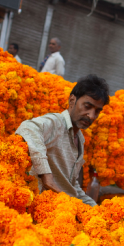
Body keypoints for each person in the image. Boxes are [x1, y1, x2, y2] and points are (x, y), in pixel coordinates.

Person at [15, 75, 109, 206]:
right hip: (43, 205)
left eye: (97, 111)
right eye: (87, 106)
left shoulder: (80, 140)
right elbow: (27, 128)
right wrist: (46, 175)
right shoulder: (56, 124)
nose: (91, 116)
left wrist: (95, 208)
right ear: (72, 100)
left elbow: (70, 183)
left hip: (63, 207)